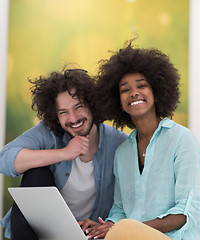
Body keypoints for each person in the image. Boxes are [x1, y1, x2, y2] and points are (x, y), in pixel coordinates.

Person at [79, 41, 200, 239]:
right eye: (125, 90)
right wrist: (103, 227)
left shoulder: (182, 140)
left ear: (156, 93)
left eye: (142, 85)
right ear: (120, 103)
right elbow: (120, 210)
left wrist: (129, 230)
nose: (134, 93)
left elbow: (184, 213)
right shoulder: (122, 152)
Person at [0, 69, 127, 240]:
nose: (73, 118)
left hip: (87, 234)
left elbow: (132, 201)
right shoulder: (48, 133)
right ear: (56, 117)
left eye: (78, 107)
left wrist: (109, 224)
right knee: (37, 174)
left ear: (92, 105)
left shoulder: (119, 143)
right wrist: (64, 153)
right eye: (63, 112)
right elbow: (5, 159)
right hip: (41, 233)